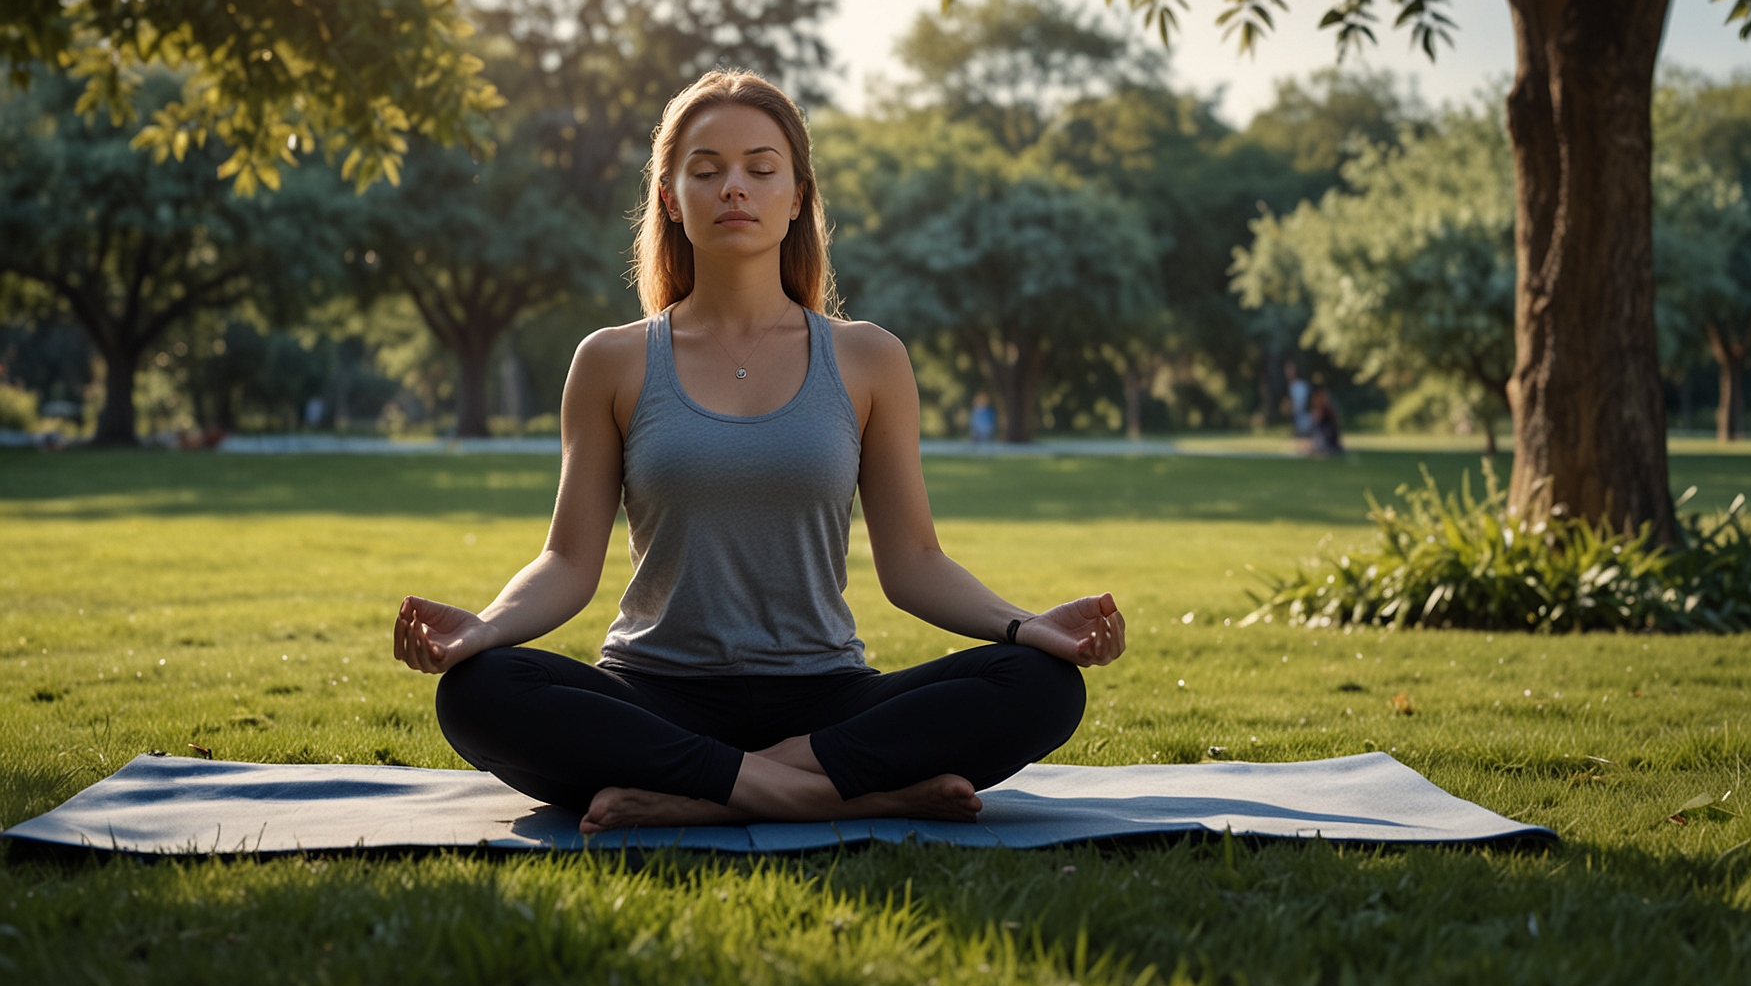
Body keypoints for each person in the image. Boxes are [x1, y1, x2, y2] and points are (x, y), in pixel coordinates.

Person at [392, 70, 1124, 833]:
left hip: (822, 696)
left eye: (760, 169)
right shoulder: (612, 360)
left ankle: (691, 794)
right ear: (671, 199)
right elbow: (568, 563)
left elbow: (914, 565)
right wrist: (484, 628)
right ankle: (836, 795)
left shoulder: (868, 358)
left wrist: (1023, 626)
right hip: (653, 693)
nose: (733, 188)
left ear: (798, 195)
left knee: (1043, 685)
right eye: (706, 171)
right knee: (480, 690)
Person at [1283, 360, 1312, 438]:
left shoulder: (1301, 386)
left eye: (1290, 370)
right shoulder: (1289, 387)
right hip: (1297, 423)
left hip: (1306, 423)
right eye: (1287, 370)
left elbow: (1300, 407)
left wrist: (1288, 408)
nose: (1288, 373)